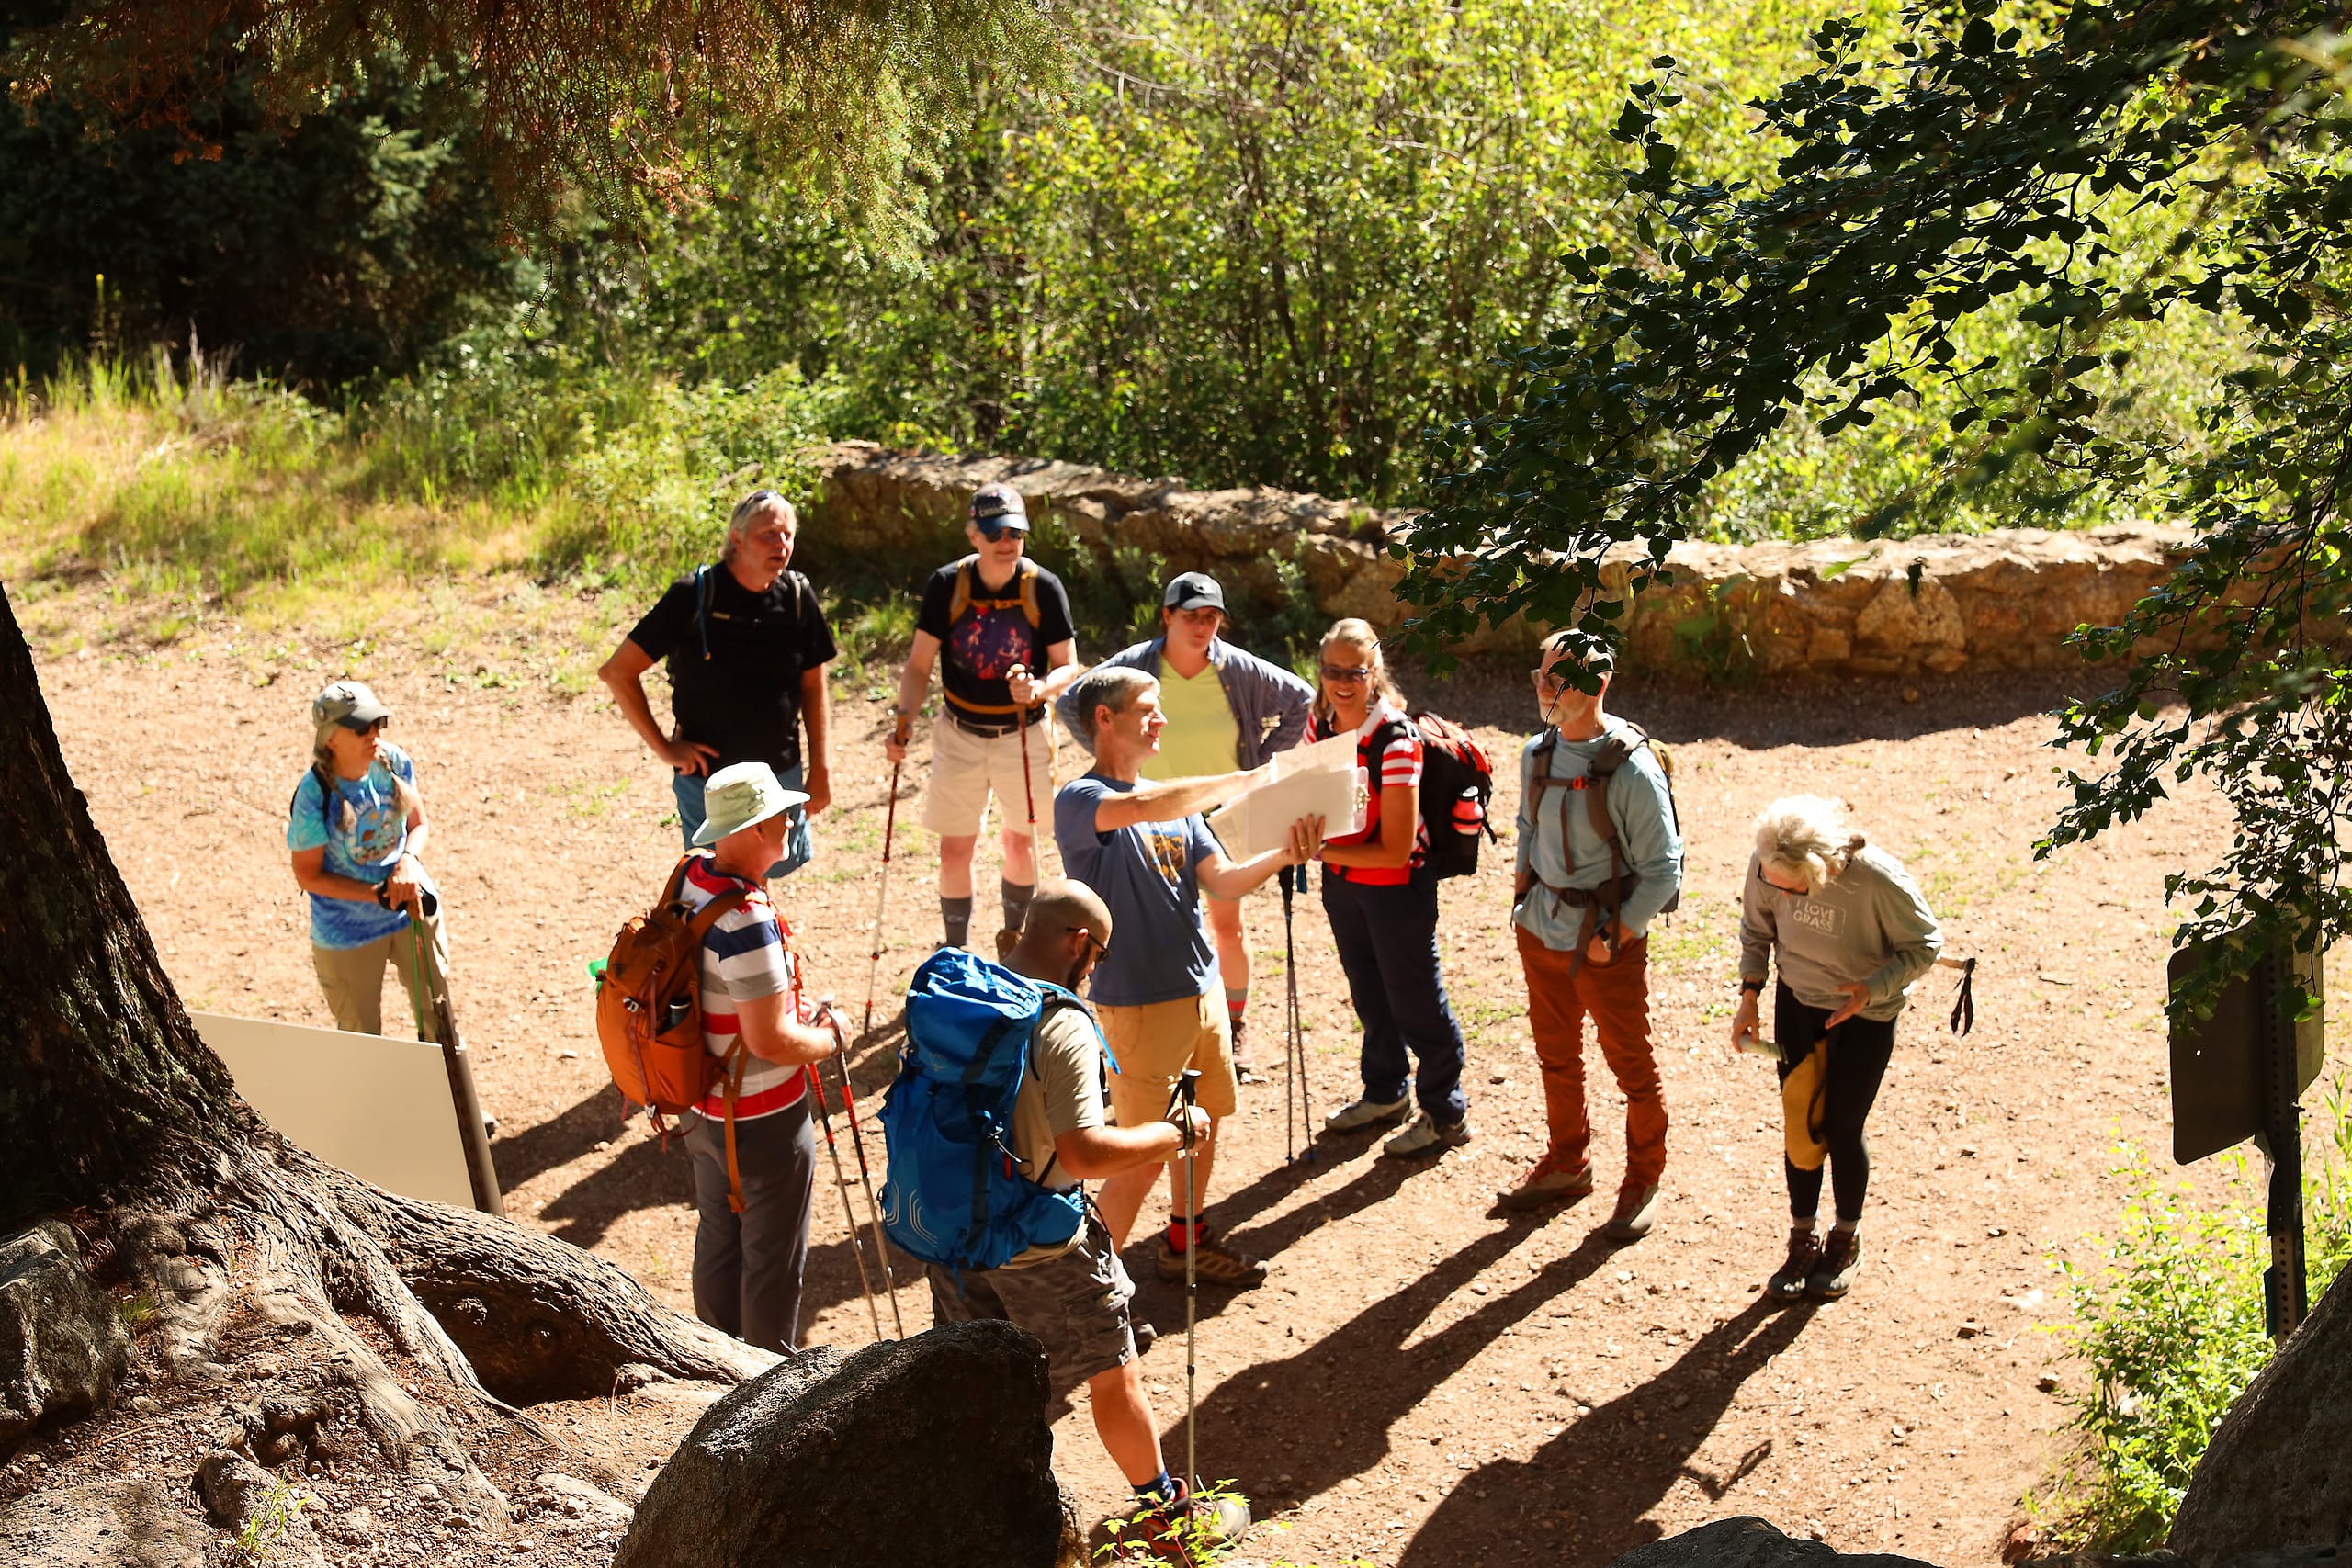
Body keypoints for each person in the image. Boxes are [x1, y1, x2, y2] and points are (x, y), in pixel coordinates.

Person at [924, 879, 1247, 1543]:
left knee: (986, 1382)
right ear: (1078, 943)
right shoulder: (1061, 1021)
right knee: (1112, 1373)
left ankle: (985, 1527)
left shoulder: (963, 989)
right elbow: (1084, 1150)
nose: (1095, 970)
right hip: (1041, 1244)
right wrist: (1174, 1133)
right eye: (1096, 956)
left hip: (953, 1230)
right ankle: (1168, 1520)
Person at [1054, 666, 1324, 1287]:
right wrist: (1249, 778)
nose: (1161, 719)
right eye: (1148, 708)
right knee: (1141, 1156)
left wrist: (1288, 851)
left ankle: (1185, 1240)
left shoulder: (1177, 807)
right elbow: (1145, 804)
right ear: (1105, 718)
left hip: (1200, 994)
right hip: (1139, 1006)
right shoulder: (1082, 801)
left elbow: (1223, 879)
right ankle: (1081, 1300)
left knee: (1199, 1127)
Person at [1055, 570, 1314, 1078]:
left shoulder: (1237, 668)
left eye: (1212, 618)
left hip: (1207, 816)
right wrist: (1116, 772)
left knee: (1226, 923)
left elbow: (1301, 699)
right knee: (1124, 927)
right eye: (1191, 616)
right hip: (1137, 815)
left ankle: (1233, 1025)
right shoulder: (1134, 671)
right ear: (1167, 616)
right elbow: (1074, 701)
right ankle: (1110, 1040)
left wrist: (1261, 772)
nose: (1202, 627)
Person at [1498, 630, 1684, 1242]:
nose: (1545, 690)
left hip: (1603, 942)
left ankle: (1643, 1177)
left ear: (1598, 685)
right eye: (1540, 676)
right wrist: (1522, 895)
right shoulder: (1535, 753)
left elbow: (1663, 870)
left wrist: (1617, 935)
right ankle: (1568, 1161)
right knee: (1557, 1057)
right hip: (1541, 931)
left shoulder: (1631, 768)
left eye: (1559, 680)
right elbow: (1527, 825)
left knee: (1632, 1067)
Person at [1733, 795, 1942, 1302]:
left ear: (1820, 870)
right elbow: (1757, 929)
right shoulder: (1768, 865)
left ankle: (1845, 1238)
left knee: (1844, 1126)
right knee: (1800, 1121)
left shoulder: (1877, 879)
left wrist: (1873, 988)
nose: (1778, 893)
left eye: (1793, 889)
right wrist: (1750, 994)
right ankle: (1802, 1237)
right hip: (1799, 1002)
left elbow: (1926, 944)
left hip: (1866, 1013)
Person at [673, 761, 844, 1352]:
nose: (792, 821)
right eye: (780, 815)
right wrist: (829, 1038)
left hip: (701, 1107)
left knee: (719, 1239)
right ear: (750, 831)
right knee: (771, 1264)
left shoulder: (691, 878)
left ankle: (711, 1371)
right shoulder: (745, 917)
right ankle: (764, 1398)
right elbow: (771, 1040)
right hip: (762, 1120)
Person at [599, 490, 837, 879]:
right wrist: (664, 748)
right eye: (768, 535)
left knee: (765, 871)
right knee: (719, 879)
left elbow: (813, 686)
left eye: (788, 535)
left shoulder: (797, 597)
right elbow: (617, 672)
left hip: (780, 772)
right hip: (712, 781)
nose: (781, 544)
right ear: (737, 539)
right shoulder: (694, 595)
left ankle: (758, 937)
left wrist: (821, 767)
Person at [888, 482, 1082, 950]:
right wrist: (904, 722)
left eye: (1016, 531)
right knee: (956, 847)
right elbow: (918, 665)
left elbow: (1069, 666)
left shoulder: (1042, 586)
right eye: (995, 533)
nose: (1007, 542)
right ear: (973, 535)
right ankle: (955, 949)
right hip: (960, 733)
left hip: (1024, 731)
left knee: (1022, 843)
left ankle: (1014, 943)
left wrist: (1038, 688)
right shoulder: (947, 585)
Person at [1309, 620, 1475, 1159]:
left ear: (1373, 672)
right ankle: (1385, 1092)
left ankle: (1446, 1111)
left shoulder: (1397, 740)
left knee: (1416, 1000)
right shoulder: (1321, 723)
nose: (1341, 682)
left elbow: (1397, 848)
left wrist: (1320, 851)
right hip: (1345, 885)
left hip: (1396, 888)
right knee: (1371, 994)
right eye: (1332, 671)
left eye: (1353, 672)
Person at [288, 681, 453, 1040]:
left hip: (410, 908)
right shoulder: (315, 795)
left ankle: (444, 1094)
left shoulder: (393, 761)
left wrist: (408, 862)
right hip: (348, 934)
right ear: (332, 737)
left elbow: (418, 824)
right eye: (362, 727)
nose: (374, 734)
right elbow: (308, 876)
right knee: (361, 1040)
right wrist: (378, 894)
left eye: (378, 723)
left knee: (440, 1024)